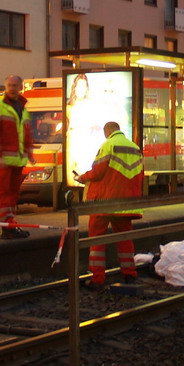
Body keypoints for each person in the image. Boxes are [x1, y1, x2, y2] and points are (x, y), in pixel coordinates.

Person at [75, 122, 143, 291]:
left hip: (105, 202)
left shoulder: (108, 145)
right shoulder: (135, 147)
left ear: (107, 131)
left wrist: (82, 177)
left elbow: (98, 172)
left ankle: (98, 279)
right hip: (126, 204)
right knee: (125, 238)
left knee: (97, 240)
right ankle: (129, 273)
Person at [0, 75, 35, 239]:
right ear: (5, 86)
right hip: (4, 160)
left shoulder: (23, 107)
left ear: (20, 87)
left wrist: (30, 153)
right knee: (3, 193)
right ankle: (7, 226)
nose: (12, 88)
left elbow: (26, 133)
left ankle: (11, 225)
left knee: (13, 194)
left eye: (15, 85)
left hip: (17, 159)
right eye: (9, 85)